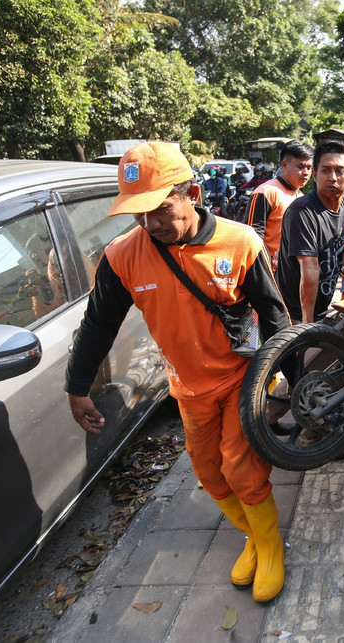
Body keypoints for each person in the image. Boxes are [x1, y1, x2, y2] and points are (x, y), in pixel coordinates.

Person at [64, 142, 291, 602]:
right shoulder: (121, 257)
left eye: (160, 210)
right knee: (209, 471)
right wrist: (77, 386)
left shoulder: (240, 242)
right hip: (187, 387)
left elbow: (273, 314)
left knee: (241, 466)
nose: (150, 224)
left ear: (190, 192)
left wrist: (281, 374)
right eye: (138, 214)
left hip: (240, 378)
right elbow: (98, 324)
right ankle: (252, 537)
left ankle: (271, 547)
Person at [275, 138, 344, 324]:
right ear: (315, 175)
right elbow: (309, 270)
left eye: (339, 171)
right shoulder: (302, 212)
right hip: (292, 314)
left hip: (320, 310)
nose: (332, 177)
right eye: (326, 171)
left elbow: (342, 252)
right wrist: (308, 327)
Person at [244, 140, 314, 270]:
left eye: (309, 168)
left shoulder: (300, 196)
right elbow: (251, 237)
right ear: (284, 165)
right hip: (269, 273)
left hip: (291, 275)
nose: (306, 172)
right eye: (300, 166)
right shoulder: (266, 191)